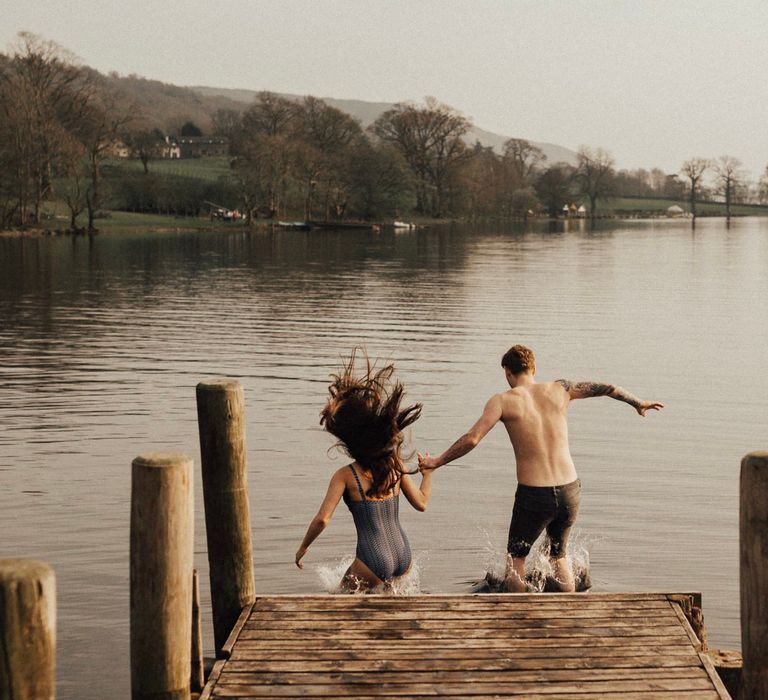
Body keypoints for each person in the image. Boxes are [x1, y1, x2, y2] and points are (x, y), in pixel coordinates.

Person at [418, 344, 663, 593]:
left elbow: (472, 439)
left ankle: (518, 615)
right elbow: (607, 388)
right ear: (534, 368)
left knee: (516, 559)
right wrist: (637, 402)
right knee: (559, 555)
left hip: (534, 495)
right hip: (570, 490)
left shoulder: (502, 401)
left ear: (507, 372)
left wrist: (437, 461)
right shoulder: (561, 388)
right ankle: (569, 610)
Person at [295, 350, 433, 591]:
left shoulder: (345, 475)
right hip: (403, 556)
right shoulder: (395, 465)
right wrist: (428, 475)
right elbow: (422, 503)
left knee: (338, 604)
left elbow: (322, 519)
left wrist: (303, 547)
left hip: (372, 561)